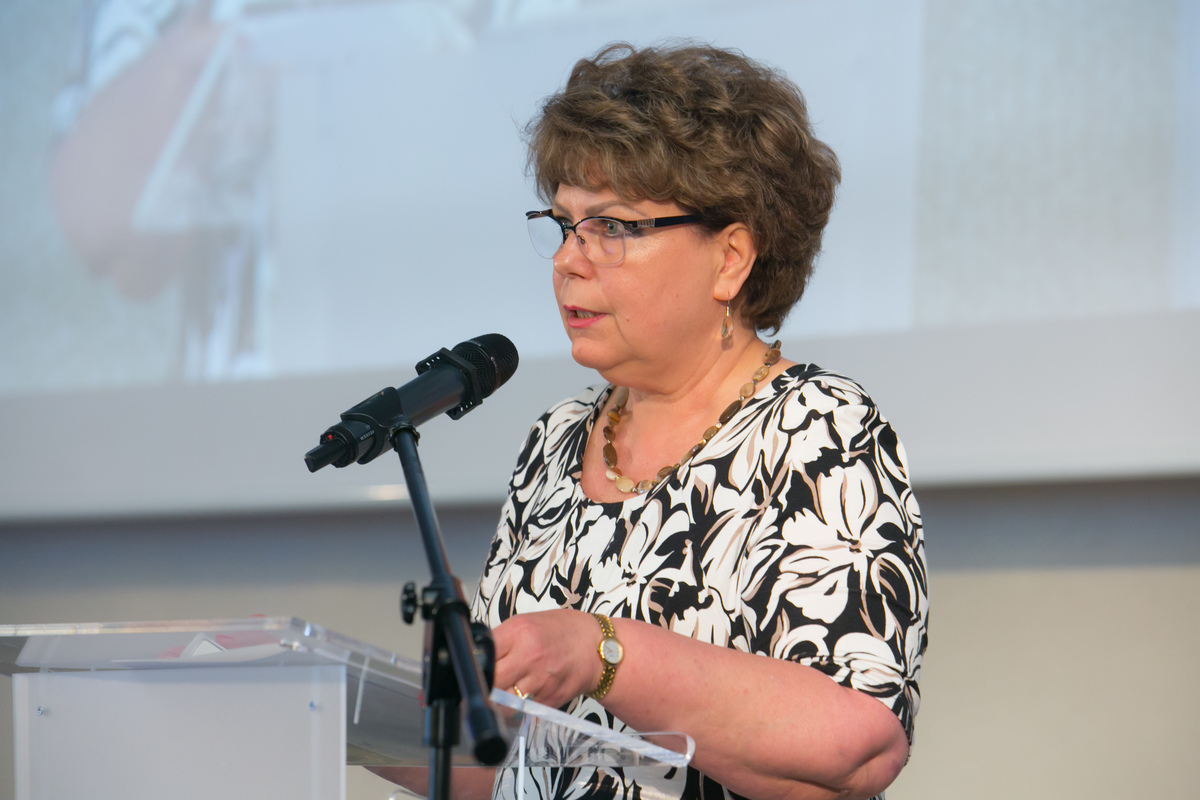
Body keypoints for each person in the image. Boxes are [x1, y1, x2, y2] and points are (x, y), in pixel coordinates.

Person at [378, 41, 928, 800]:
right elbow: (516, 769)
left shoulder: (819, 431)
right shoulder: (557, 440)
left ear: (730, 259)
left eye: (611, 226)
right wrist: (338, 710)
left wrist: (601, 652)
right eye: (564, 224)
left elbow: (853, 747)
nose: (567, 261)